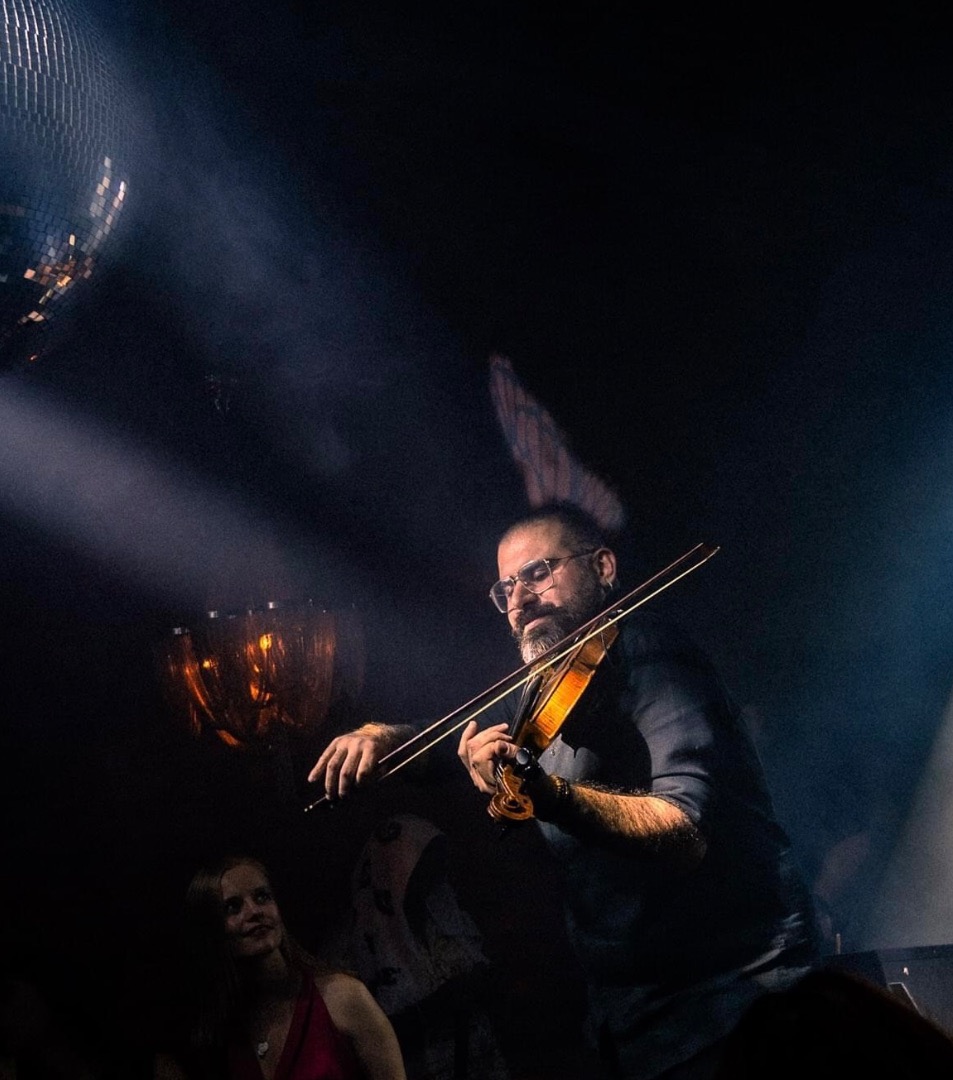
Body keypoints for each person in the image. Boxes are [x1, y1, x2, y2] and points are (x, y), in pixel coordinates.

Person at [309, 503, 821, 1079]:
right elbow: (452, 738)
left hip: (738, 999)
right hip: (633, 1019)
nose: (521, 600)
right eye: (506, 588)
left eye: (538, 573)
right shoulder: (541, 688)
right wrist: (381, 738)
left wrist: (548, 794)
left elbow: (685, 831)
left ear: (603, 567)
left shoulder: (653, 657)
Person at [159, 854, 407, 1080]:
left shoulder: (342, 997)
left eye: (262, 897)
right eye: (233, 907)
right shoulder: (222, 1036)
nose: (254, 912)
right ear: (211, 929)